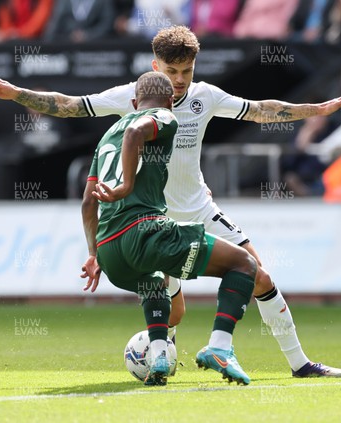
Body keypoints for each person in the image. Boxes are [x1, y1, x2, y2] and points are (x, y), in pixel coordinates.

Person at [0, 25, 341, 378]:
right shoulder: (131, 98)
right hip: (152, 219)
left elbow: (260, 109)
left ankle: (300, 364)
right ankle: (164, 355)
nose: (178, 80)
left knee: (261, 275)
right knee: (174, 309)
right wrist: (16, 94)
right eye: (171, 71)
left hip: (200, 209)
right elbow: (69, 104)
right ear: (156, 66)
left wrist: (314, 110)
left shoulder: (205, 97)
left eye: (186, 71)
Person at [82, 71, 259, 386]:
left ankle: (160, 356)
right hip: (145, 231)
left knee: (155, 282)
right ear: (171, 101)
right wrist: (126, 187)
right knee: (244, 264)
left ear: (134, 102)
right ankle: (219, 348)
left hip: (110, 253)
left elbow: (87, 204)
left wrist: (93, 254)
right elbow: (135, 132)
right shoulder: (164, 115)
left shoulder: (106, 136)